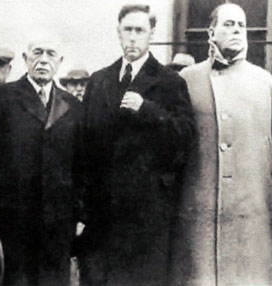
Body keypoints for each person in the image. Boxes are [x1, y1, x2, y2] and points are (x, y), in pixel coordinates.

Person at [77, 4, 195, 285]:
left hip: (147, 216)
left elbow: (185, 136)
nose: (132, 37)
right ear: (118, 33)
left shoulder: (170, 82)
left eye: (139, 31)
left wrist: (147, 110)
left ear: (151, 34)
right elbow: (83, 147)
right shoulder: (99, 80)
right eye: (127, 30)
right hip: (102, 215)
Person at [174, 3, 272, 284]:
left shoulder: (264, 83)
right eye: (228, 24)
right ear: (211, 31)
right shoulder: (186, 81)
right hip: (199, 223)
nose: (237, 29)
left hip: (251, 221)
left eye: (241, 24)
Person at [0, 33, 83, 285]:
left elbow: (81, 165)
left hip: (57, 221)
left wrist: (79, 214)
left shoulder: (72, 105)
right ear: (25, 58)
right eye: (37, 53)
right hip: (12, 219)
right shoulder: (0, 99)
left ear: (60, 61)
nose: (43, 60)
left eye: (50, 54)